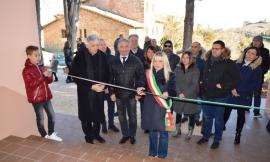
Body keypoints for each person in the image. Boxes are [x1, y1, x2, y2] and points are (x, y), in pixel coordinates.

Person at [197, 40, 240, 149]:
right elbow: (202, 74)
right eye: (213, 48)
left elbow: (237, 79)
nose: (214, 50)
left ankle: (217, 139)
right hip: (206, 95)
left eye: (217, 49)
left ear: (222, 50)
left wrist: (224, 85)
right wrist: (201, 84)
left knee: (218, 119)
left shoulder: (229, 63)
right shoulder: (207, 61)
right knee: (207, 118)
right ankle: (206, 137)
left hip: (220, 97)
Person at [71, 34, 109, 144]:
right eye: (92, 45)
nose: (95, 48)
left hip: (99, 92)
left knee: (98, 114)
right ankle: (88, 135)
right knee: (86, 116)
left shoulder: (102, 55)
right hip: (85, 92)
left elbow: (107, 73)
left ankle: (96, 134)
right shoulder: (80, 56)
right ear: (87, 45)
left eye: (97, 45)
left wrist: (104, 85)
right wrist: (91, 86)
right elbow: (75, 75)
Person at [109, 38, 145, 145]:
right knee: (121, 116)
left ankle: (132, 135)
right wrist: (111, 92)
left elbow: (141, 78)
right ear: (118, 48)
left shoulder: (136, 61)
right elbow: (110, 79)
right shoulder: (113, 62)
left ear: (129, 47)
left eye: (126, 46)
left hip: (132, 95)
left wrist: (139, 91)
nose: (124, 49)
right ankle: (125, 134)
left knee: (132, 117)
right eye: (121, 47)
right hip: (118, 95)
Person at [22, 45, 62, 142]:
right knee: (40, 118)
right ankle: (44, 135)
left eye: (39, 55)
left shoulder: (41, 67)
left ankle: (51, 133)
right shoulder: (26, 70)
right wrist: (43, 77)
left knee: (52, 115)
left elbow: (48, 81)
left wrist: (49, 76)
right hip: (36, 98)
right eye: (36, 55)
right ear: (28, 56)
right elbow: (31, 85)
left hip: (46, 95)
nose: (38, 57)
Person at [224, 47, 262, 144]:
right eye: (248, 52)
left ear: (256, 57)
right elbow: (228, 77)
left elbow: (255, 84)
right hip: (231, 92)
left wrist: (239, 91)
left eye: (252, 54)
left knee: (241, 115)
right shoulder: (236, 63)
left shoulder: (257, 69)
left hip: (244, 95)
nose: (249, 54)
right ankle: (220, 128)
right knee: (226, 111)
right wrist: (232, 89)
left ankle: (238, 134)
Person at [142, 52, 175, 159]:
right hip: (150, 106)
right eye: (155, 61)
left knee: (163, 132)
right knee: (152, 131)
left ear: (165, 62)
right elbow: (141, 83)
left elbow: (174, 90)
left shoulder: (170, 74)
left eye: (160, 61)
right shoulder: (148, 73)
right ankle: (152, 152)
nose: (157, 63)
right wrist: (139, 88)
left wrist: (168, 93)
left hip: (163, 107)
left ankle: (162, 154)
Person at [173, 51, 200, 140]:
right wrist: (179, 92)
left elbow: (194, 84)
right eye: (183, 57)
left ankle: (190, 131)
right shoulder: (177, 69)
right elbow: (175, 82)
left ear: (191, 58)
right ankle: (177, 129)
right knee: (178, 113)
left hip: (190, 96)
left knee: (191, 114)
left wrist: (185, 94)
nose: (184, 59)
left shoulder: (195, 70)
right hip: (179, 95)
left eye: (187, 57)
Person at [245, 36, 270, 118]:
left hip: (258, 76)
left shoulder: (265, 51)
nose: (255, 42)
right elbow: (242, 61)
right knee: (247, 92)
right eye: (254, 40)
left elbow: (267, 64)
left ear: (261, 42)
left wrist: (261, 72)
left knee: (257, 94)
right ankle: (246, 107)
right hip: (247, 75)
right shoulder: (247, 49)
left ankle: (256, 112)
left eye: (257, 41)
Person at [99, 39, 119, 133]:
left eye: (104, 44)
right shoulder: (95, 58)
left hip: (110, 88)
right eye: (101, 44)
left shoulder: (112, 58)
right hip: (99, 88)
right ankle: (103, 124)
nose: (103, 46)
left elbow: (114, 74)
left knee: (111, 107)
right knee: (100, 107)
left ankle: (111, 124)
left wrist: (108, 87)